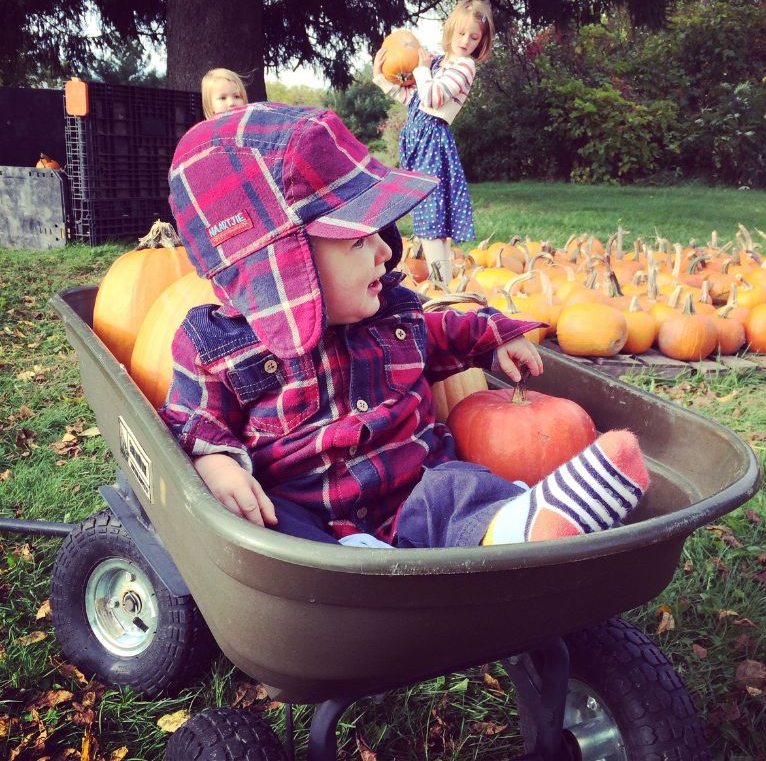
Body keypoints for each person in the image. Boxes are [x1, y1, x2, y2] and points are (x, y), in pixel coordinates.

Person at [161, 101, 649, 550]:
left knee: (460, 485)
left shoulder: (391, 310)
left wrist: (492, 335)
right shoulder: (217, 347)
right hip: (313, 520)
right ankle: (362, 579)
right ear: (284, 271)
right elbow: (192, 421)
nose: (385, 251)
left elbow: (439, 331)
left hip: (414, 495)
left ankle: (520, 526)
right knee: (266, 525)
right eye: (357, 242)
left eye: (378, 233)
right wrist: (215, 462)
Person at [372, 0, 494, 286]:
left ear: (481, 42)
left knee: (431, 219)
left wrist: (421, 69)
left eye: (474, 37)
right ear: (450, 31)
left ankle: (442, 287)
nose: (466, 41)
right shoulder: (438, 63)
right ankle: (442, 285)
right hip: (416, 141)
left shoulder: (465, 67)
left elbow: (433, 97)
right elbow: (414, 100)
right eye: (461, 33)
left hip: (432, 144)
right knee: (425, 219)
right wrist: (381, 78)